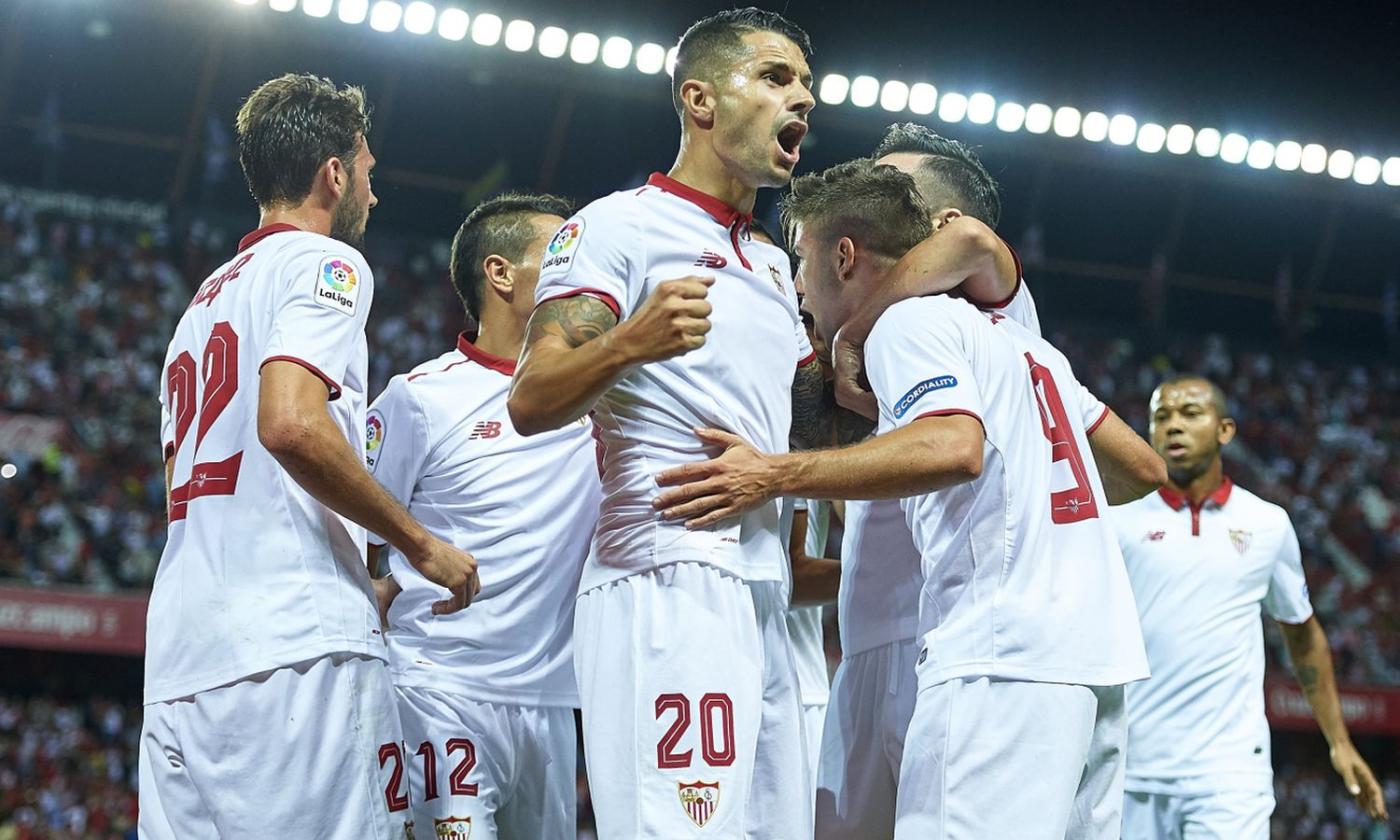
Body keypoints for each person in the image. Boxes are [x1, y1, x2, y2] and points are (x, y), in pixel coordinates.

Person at [654, 160, 1164, 839]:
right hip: (1085, 656)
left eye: (801, 259)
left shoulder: (909, 324)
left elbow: (954, 448)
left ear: (845, 255)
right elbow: (1136, 471)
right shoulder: (1031, 348)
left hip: (992, 650)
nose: (796, 284)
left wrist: (774, 473)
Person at [507, 8, 822, 836]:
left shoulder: (772, 261)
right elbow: (532, 398)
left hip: (766, 590)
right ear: (701, 100)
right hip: (666, 571)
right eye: (776, 77)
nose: (803, 99)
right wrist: (630, 341)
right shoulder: (617, 225)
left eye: (806, 84)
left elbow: (812, 422)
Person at [139, 73, 478, 840]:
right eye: (368, 171)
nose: (373, 193)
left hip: (184, 655)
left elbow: (177, 484)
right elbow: (289, 425)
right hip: (295, 641)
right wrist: (418, 544)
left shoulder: (198, 307)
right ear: (334, 173)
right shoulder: (325, 265)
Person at [813, 126, 1031, 840]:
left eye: (890, 192)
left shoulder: (992, 310)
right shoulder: (906, 330)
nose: (866, 206)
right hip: (874, 638)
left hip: (944, 640)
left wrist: (854, 334)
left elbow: (974, 243)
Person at [365, 194, 599, 839]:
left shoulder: (603, 397)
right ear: (500, 274)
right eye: (560, 254)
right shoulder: (421, 398)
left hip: (552, 703)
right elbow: (355, 535)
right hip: (441, 692)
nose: (581, 272)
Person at [1111, 375, 1389, 837]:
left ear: (1225, 431)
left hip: (1229, 776)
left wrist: (1339, 743)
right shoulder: (1117, 522)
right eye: (1162, 417)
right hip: (1132, 771)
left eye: (1190, 414)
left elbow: (1301, 633)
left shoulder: (1266, 524)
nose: (1173, 426)